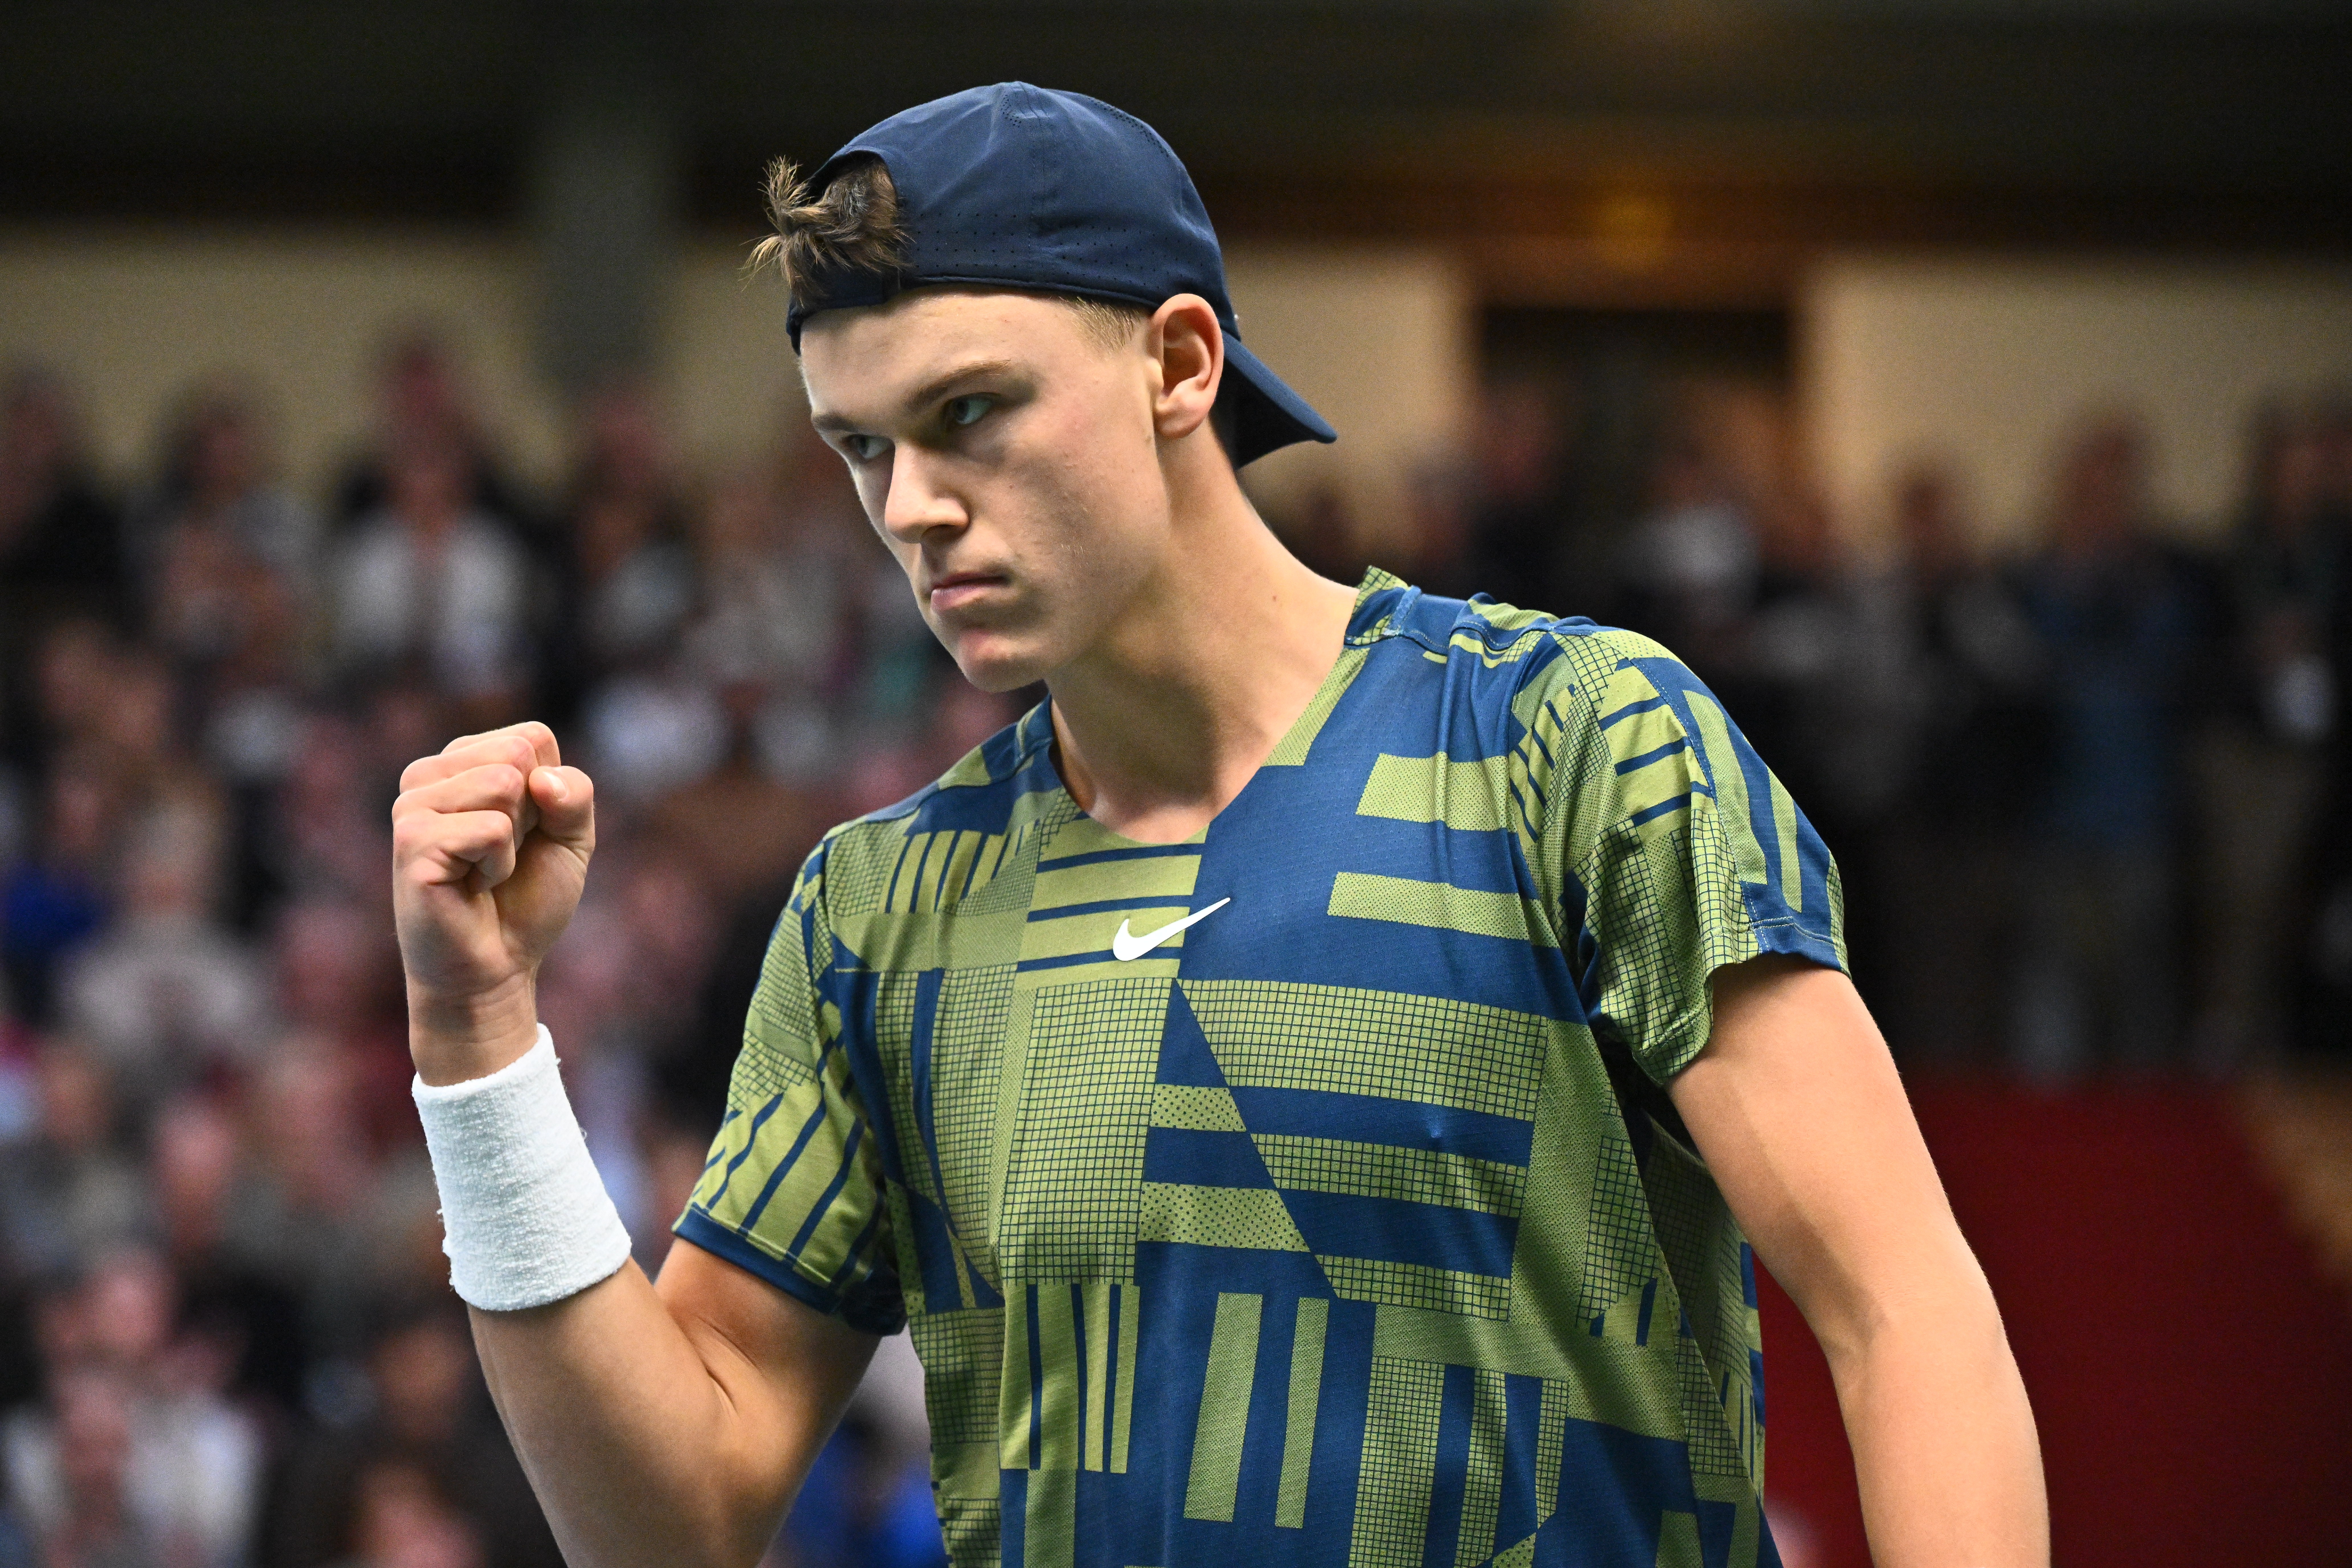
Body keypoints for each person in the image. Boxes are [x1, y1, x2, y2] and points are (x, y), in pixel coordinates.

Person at [387, 84, 2045, 1568]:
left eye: (969, 413)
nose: (909, 508)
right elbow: (671, 1522)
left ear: (1182, 363)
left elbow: (1901, 1310)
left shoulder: (1572, 744)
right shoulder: (876, 911)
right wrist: (477, 1039)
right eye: (860, 448)